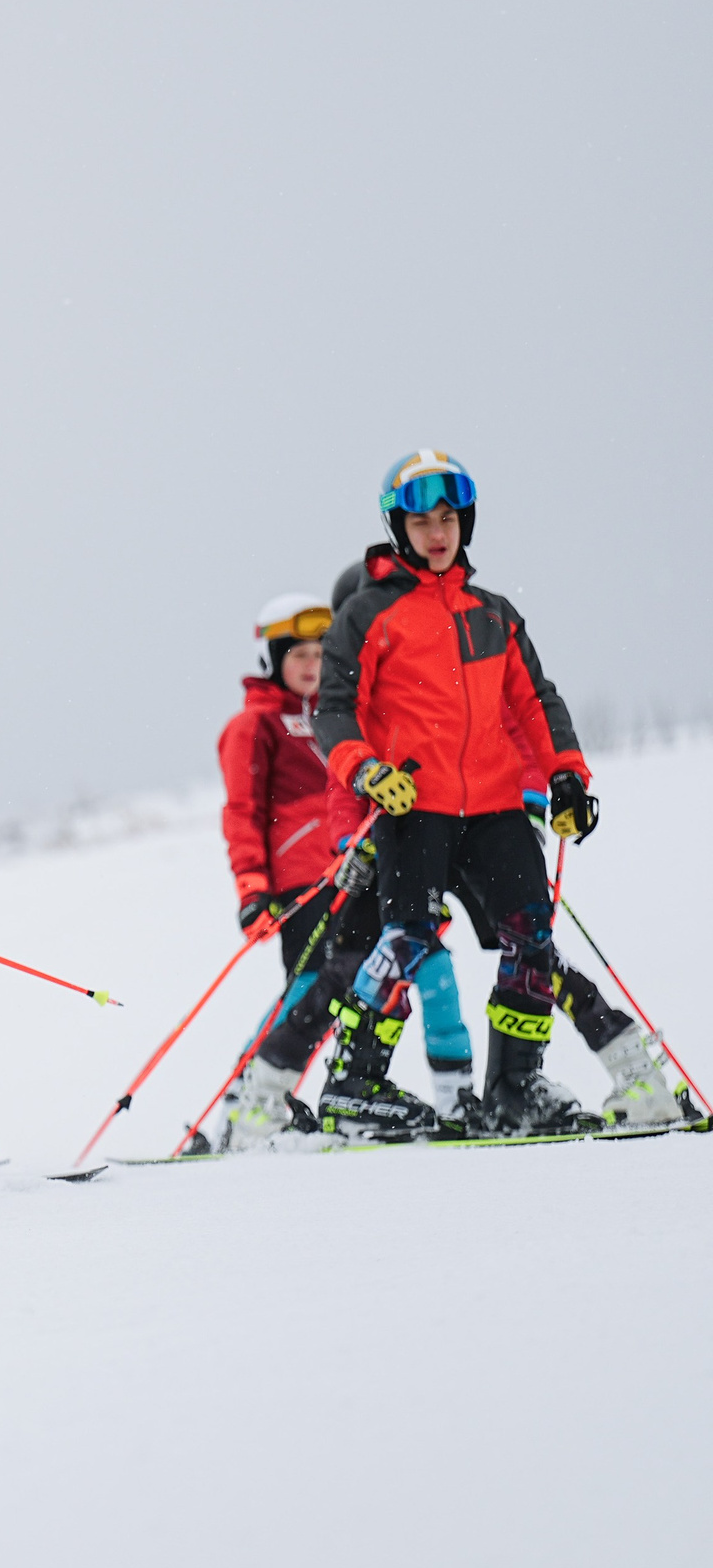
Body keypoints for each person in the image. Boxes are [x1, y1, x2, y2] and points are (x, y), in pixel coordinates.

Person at [229, 451, 617, 1143]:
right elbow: (325, 733)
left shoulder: (492, 614)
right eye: (420, 521)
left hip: (487, 809)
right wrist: (357, 786)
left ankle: (503, 1089)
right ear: (397, 528)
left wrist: (560, 779)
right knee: (374, 956)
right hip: (388, 827)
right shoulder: (363, 624)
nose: (437, 533)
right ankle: (306, 1091)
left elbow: (530, 706)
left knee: (521, 939)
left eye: (448, 519)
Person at [205, 593, 337, 1144]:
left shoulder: (336, 719)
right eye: (299, 654)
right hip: (299, 882)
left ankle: (323, 1096)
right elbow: (242, 811)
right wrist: (252, 888)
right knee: (309, 990)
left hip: (350, 874)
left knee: (347, 992)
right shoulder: (254, 725)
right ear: (274, 659)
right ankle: (245, 1099)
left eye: (320, 654)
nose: (311, 665)